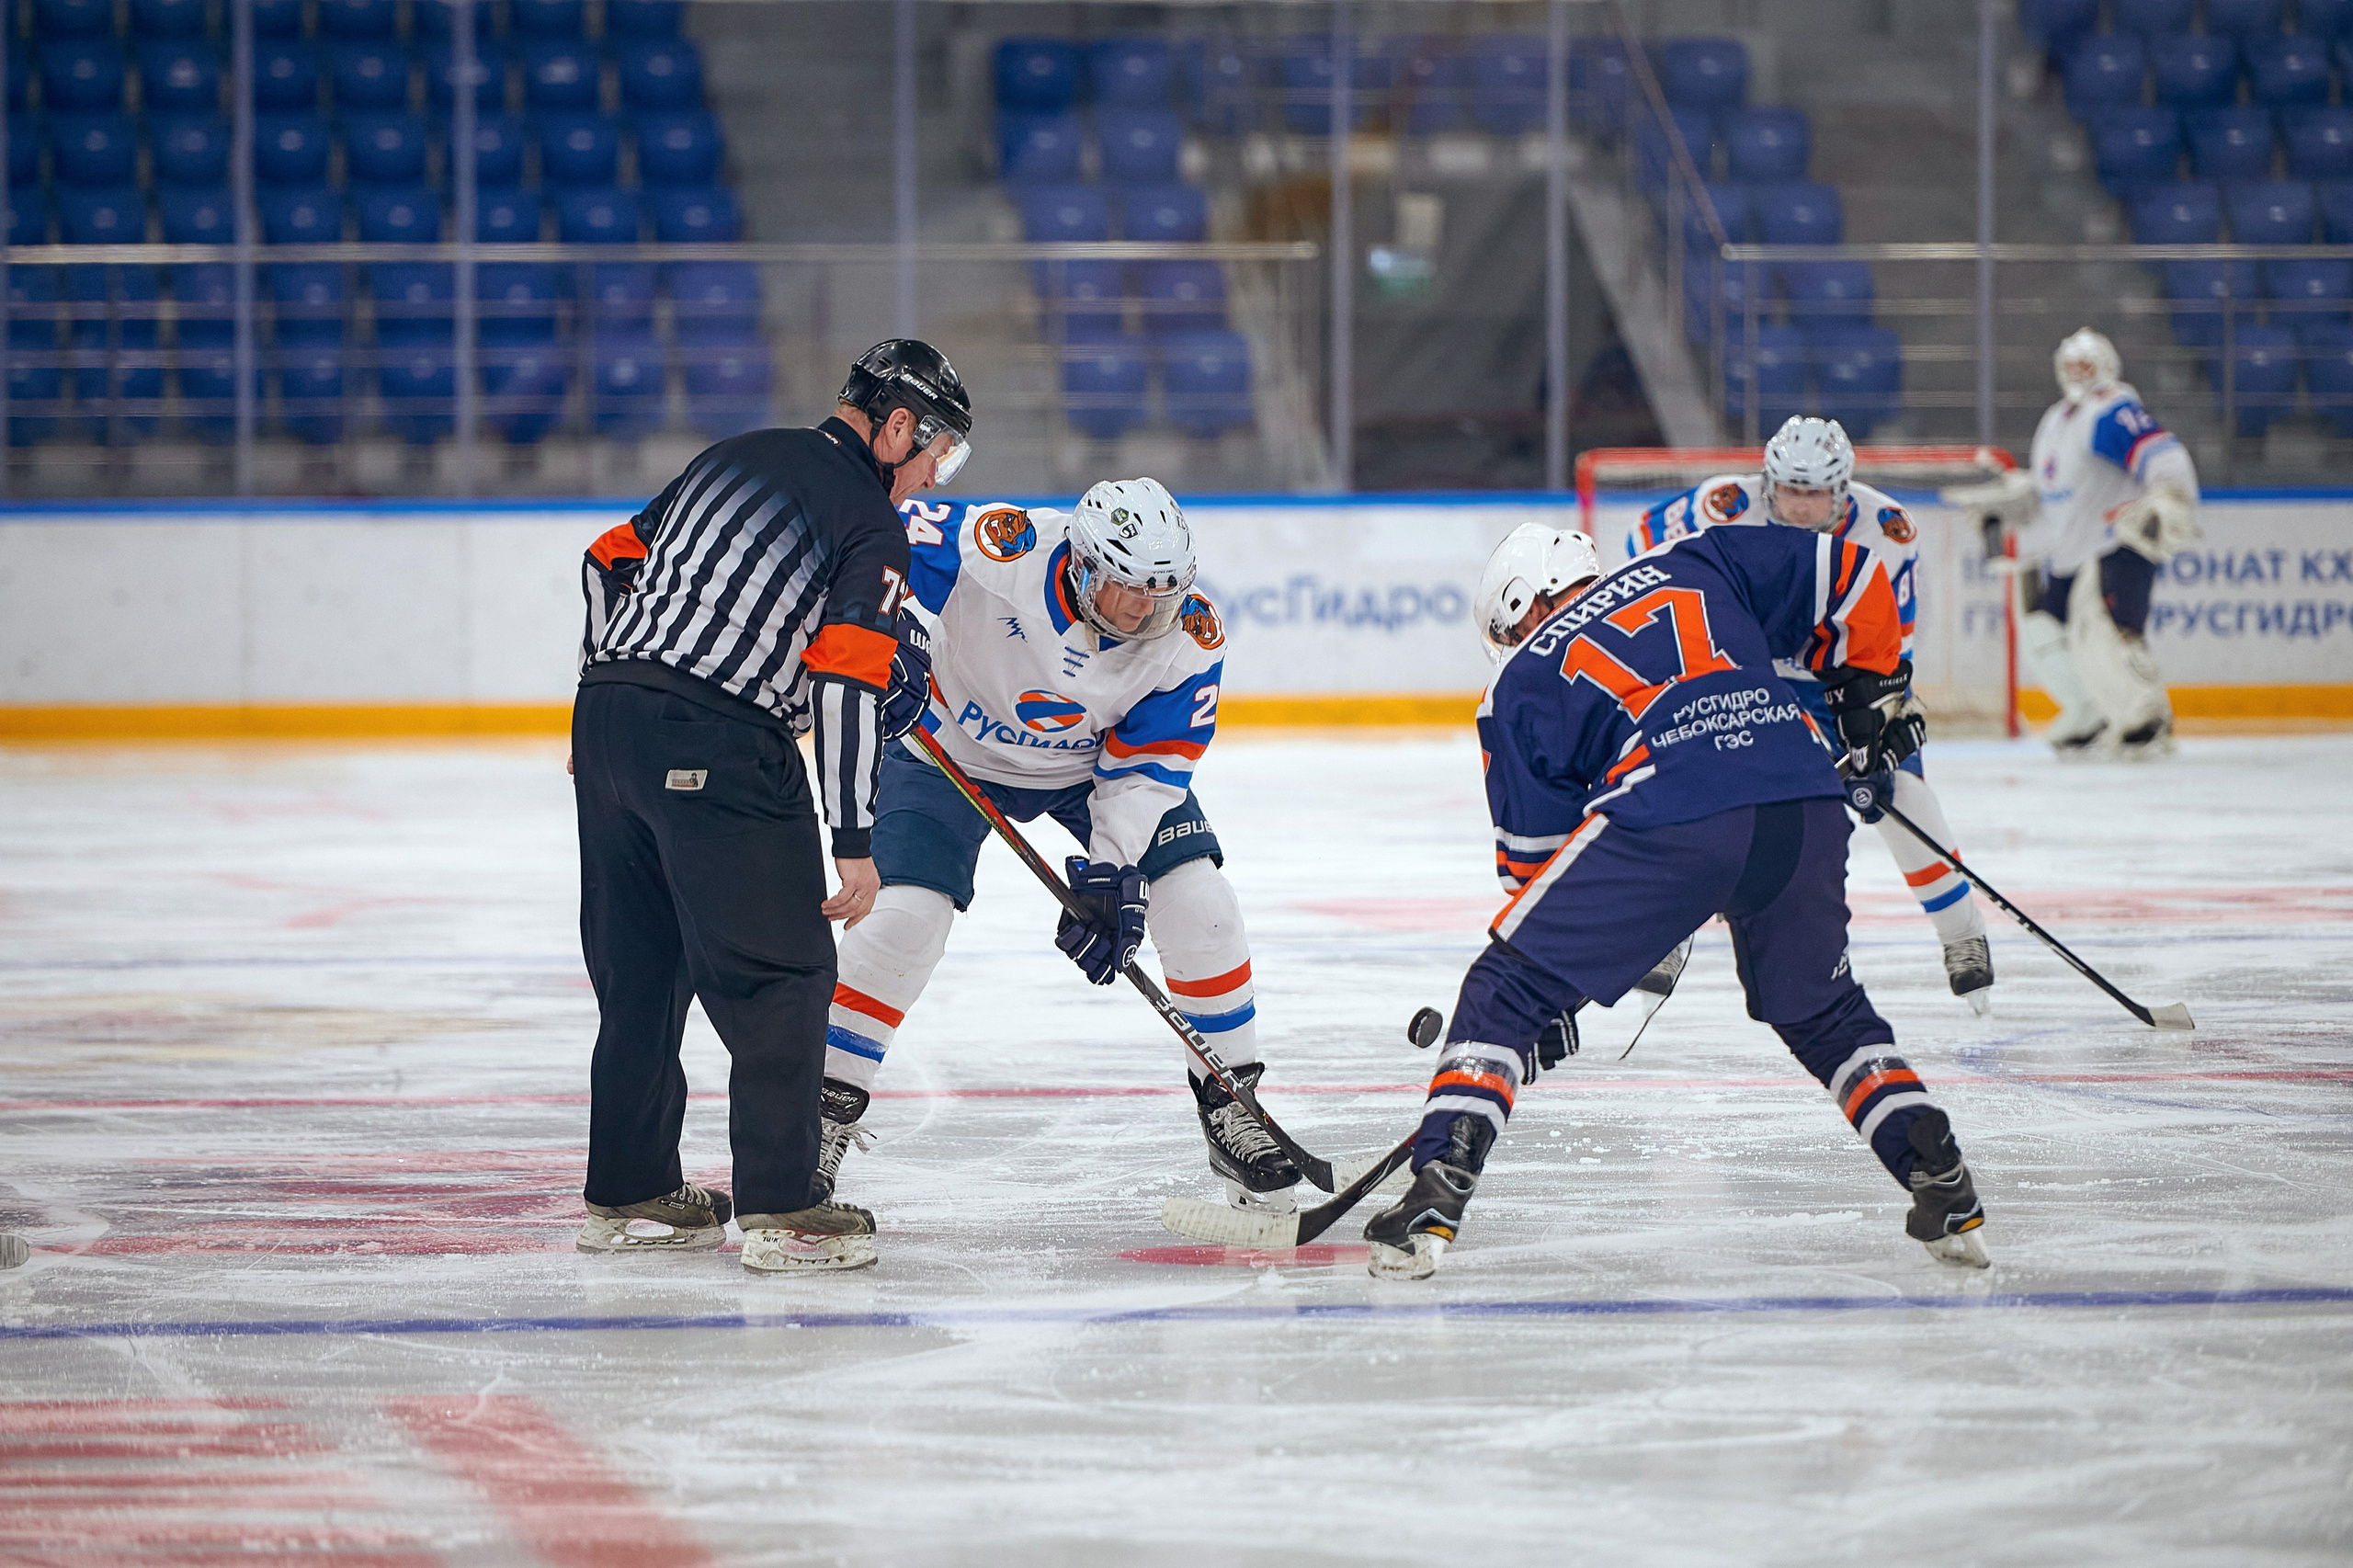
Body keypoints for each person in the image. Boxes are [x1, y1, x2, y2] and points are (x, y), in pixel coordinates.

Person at [1359, 519, 1992, 1280]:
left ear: (1523, 604)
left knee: (1503, 986)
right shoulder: (1699, 559)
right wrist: (1871, 690)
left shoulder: (1519, 680)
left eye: (1507, 628)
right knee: (1821, 1011)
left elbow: (1538, 872)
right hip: (1803, 794)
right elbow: (1856, 576)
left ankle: (1435, 1192)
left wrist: (1547, 1003)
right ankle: (1935, 1169)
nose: (1512, 642)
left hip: (1674, 808)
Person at [569, 339, 971, 1276]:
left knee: (644, 972)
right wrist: (855, 837)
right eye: (936, 454)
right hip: (722, 740)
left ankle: (628, 1192)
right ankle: (787, 1210)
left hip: (608, 721)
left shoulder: (734, 454)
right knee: (786, 975)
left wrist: (607, 683)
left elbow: (605, 561)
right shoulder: (870, 522)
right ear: (897, 425)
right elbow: (844, 682)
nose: (929, 477)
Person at [813, 478, 1306, 1213]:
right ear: (1080, 566)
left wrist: (1110, 871)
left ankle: (1232, 1103)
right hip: (946, 749)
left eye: (1161, 594)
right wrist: (884, 635)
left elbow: (1146, 769)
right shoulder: (996, 548)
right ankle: (818, 1113)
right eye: (1126, 588)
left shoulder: (1191, 635)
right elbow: (863, 538)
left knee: (1202, 906)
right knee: (902, 923)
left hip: (1090, 770)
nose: (1143, 611)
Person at [1631, 416, 1994, 1012]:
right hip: (1742, 675)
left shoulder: (1886, 530)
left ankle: (1963, 934)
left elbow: (1888, 645)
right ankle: (1667, 931)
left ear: (1842, 489)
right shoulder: (1722, 505)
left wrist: (1877, 718)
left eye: (1816, 492)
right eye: (1790, 490)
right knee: (1704, 794)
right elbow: (1642, 547)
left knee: (1900, 795)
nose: (1800, 505)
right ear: (1768, 482)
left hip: (1840, 682)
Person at [1945, 327, 2201, 759]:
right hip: (2068, 553)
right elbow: (2055, 499)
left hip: (2115, 545)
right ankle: (2090, 712)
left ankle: (2146, 720)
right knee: (2043, 634)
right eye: (2070, 365)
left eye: (2086, 364)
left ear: (2106, 367)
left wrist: (2168, 498)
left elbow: (2164, 455)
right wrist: (2014, 516)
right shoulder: (2056, 421)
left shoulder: (2112, 409)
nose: (2077, 373)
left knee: (2106, 635)